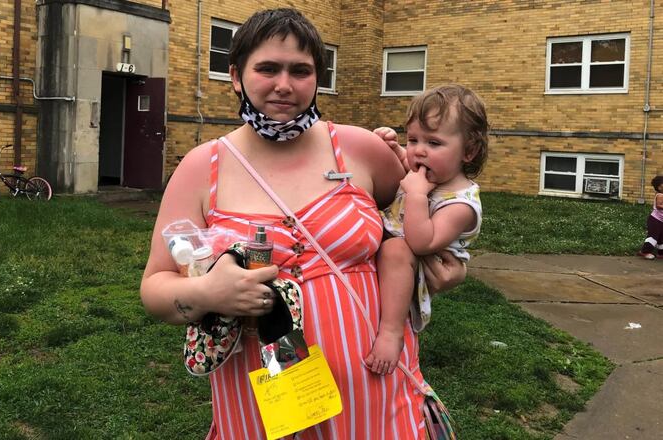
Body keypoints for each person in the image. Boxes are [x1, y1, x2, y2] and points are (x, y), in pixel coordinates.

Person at [139, 8, 466, 439]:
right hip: (260, 400)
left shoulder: (359, 149)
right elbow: (154, 289)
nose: (284, 85)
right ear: (236, 75)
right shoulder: (203, 167)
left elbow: (421, 214)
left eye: (301, 70)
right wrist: (205, 291)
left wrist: (448, 262)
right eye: (268, 68)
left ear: (317, 78)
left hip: (375, 390)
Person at [365, 85, 488, 375]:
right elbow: (407, 165)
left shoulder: (461, 204)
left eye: (433, 143)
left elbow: (422, 242)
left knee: (396, 248)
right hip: (394, 254)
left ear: (468, 151)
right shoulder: (427, 171)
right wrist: (392, 148)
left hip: (415, 266)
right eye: (413, 139)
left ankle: (391, 332)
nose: (418, 150)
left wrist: (417, 196)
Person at [637, 175, 663, 259]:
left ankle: (661, 253)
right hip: (655, 220)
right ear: (659, 187)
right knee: (653, 236)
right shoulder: (660, 195)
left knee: (661, 237)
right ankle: (644, 251)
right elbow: (659, 206)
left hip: (661, 220)